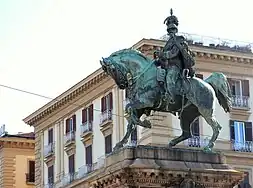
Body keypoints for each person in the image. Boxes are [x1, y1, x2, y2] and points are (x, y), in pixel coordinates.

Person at [153, 9, 196, 104]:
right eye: (169, 30)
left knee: (170, 79)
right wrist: (158, 58)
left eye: (172, 29)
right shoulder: (168, 42)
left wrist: (162, 54)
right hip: (166, 66)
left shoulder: (178, 40)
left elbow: (173, 53)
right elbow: (164, 56)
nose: (170, 32)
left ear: (175, 29)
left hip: (175, 66)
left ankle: (173, 99)